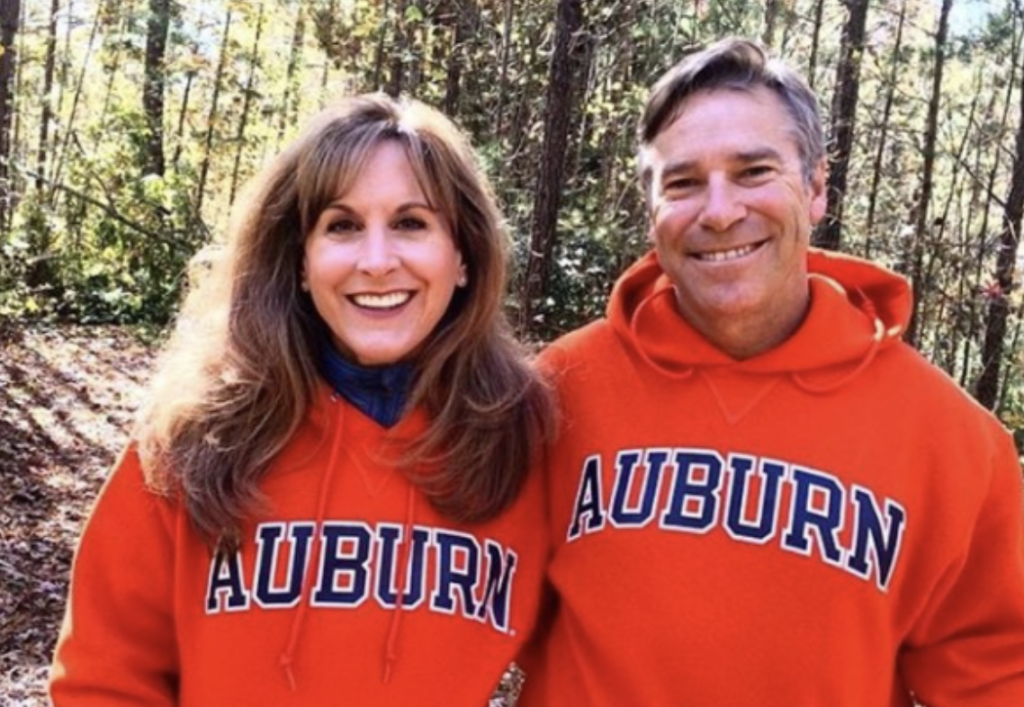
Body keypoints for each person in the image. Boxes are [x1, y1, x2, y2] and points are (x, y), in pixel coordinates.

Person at [518, 38, 1024, 706]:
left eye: (754, 171)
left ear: (816, 188)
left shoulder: (950, 438)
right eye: (683, 181)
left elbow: (996, 674)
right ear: (653, 209)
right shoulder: (559, 390)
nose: (721, 211)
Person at [49, 94, 553, 706]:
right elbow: (103, 679)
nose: (376, 261)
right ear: (300, 261)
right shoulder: (198, 434)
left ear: (464, 257)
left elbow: (605, 649)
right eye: (341, 226)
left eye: (410, 223)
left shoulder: (522, 441)